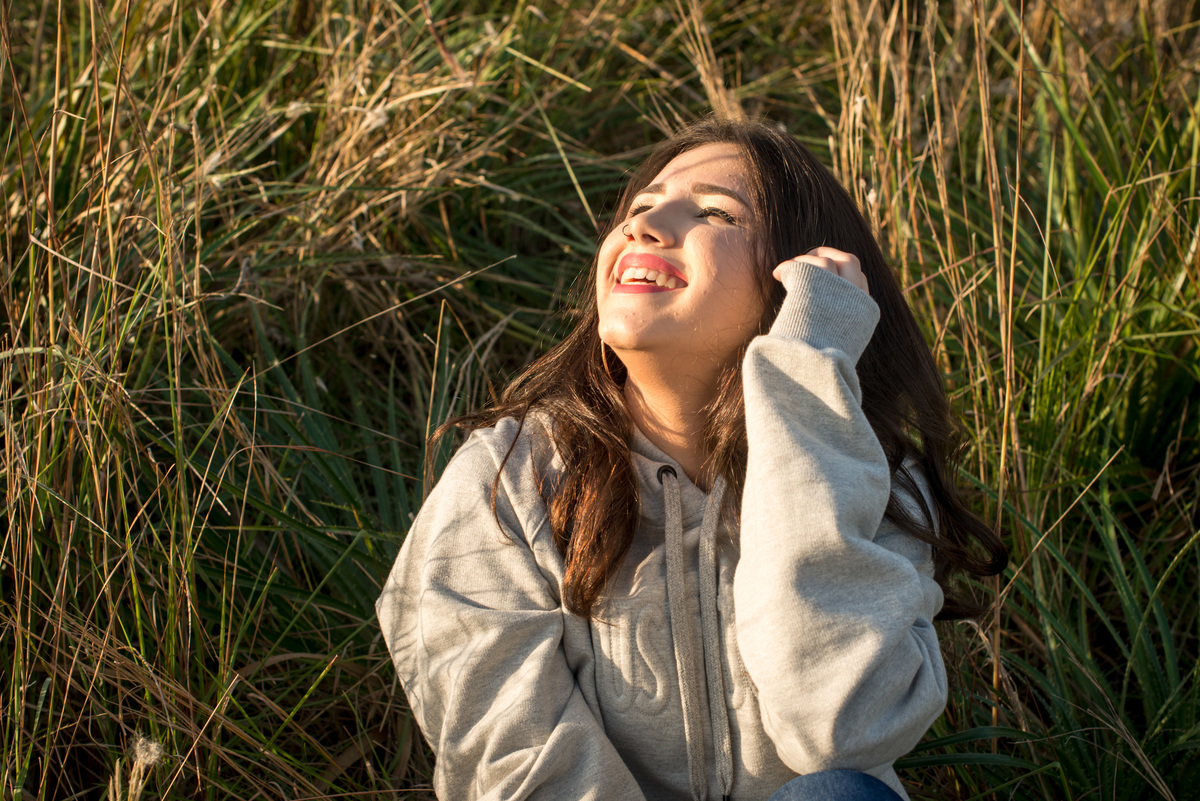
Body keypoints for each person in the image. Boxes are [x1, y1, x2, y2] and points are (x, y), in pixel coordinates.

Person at [376, 116, 1007, 801]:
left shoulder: (870, 477)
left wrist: (803, 386)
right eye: (640, 207)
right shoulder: (507, 480)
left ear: (796, 282)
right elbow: (511, 761)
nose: (644, 226)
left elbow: (842, 730)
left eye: (714, 211)